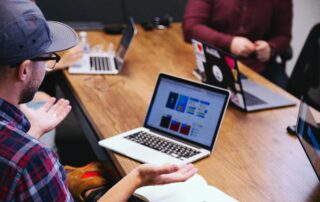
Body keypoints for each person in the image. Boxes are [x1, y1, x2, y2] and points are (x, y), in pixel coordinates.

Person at [0, 1, 197, 201]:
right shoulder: (33, 161)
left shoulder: (22, 153)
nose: (47, 66)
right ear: (24, 70)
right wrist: (138, 177)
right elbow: (21, 161)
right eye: (47, 58)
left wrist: (34, 131)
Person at [183, 0, 293, 88]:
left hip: (258, 68)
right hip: (212, 58)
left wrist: (271, 47)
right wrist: (230, 42)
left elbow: (283, 36)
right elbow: (191, 27)